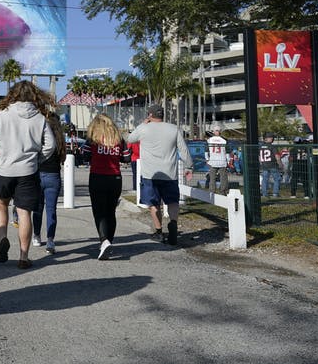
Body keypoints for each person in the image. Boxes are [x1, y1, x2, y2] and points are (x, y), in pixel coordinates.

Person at [0, 80, 55, 269]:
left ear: (13, 95)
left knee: (0, 204)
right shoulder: (40, 118)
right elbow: (51, 146)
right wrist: (38, 159)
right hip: (28, 171)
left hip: (4, 169)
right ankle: (23, 256)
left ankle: (3, 237)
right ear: (34, 96)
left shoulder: (1, 114)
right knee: (24, 213)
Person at [127, 104, 193, 245]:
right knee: (173, 201)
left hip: (150, 173)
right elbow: (183, 150)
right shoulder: (173, 128)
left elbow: (130, 139)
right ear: (162, 115)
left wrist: (142, 124)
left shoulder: (144, 128)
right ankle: (173, 224)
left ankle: (158, 231)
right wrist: (189, 166)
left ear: (150, 115)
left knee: (154, 204)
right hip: (170, 173)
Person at [84, 114, 131, 259]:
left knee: (99, 212)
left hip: (98, 177)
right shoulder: (118, 139)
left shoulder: (92, 139)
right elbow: (127, 158)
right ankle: (108, 242)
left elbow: (85, 156)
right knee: (111, 212)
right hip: (115, 178)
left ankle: (104, 241)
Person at [32, 111, 67, 254]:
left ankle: (36, 236)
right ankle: (51, 240)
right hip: (54, 176)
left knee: (38, 208)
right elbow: (63, 159)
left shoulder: (41, 136)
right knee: (52, 210)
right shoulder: (60, 139)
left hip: (39, 174)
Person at [205, 125, 229, 193]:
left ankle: (212, 192)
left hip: (213, 161)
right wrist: (228, 160)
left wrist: (207, 159)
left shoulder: (209, 140)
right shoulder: (224, 140)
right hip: (222, 161)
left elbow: (206, 151)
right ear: (220, 131)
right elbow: (227, 152)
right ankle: (223, 191)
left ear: (213, 132)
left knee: (212, 178)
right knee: (223, 178)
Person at [259, 132, 281, 197]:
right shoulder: (272, 146)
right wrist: (280, 164)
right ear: (267, 138)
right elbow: (277, 157)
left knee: (265, 179)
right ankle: (275, 193)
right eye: (271, 137)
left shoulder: (260, 147)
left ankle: (264, 194)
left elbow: (259, 157)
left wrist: (262, 163)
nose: (272, 138)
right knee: (277, 179)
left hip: (264, 165)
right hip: (272, 165)